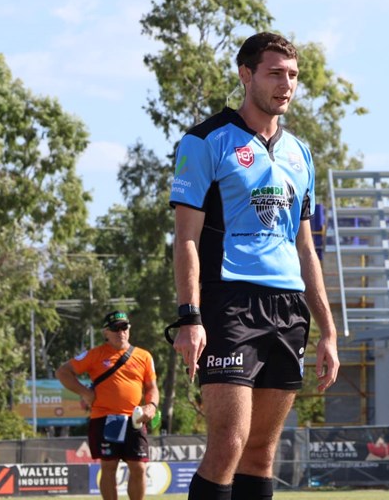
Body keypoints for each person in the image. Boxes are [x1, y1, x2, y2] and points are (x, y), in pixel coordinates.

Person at [168, 31, 340, 500]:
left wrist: (327, 330)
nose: (286, 84)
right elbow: (185, 238)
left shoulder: (300, 153)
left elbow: (307, 250)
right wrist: (190, 317)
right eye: (275, 73)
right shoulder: (205, 141)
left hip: (287, 309)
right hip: (228, 302)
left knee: (262, 451)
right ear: (246, 75)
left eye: (293, 76)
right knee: (228, 443)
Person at [55, 311, 159, 500]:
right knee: (109, 467)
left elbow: (152, 387)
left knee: (139, 467)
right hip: (104, 418)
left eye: (124, 327)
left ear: (129, 329)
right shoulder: (95, 355)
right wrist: (84, 392)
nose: (121, 332)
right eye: (115, 328)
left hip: (134, 419)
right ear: (106, 333)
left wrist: (151, 405)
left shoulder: (144, 356)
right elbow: (63, 372)